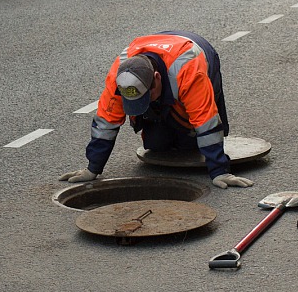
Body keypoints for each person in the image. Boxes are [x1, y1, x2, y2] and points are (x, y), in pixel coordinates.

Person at [59, 31, 254, 189]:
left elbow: (207, 122)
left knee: (190, 138)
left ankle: (186, 134)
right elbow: (105, 123)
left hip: (197, 54)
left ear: (157, 79)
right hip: (159, 57)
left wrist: (219, 170)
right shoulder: (119, 77)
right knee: (157, 145)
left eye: (146, 97)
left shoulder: (189, 72)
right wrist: (93, 168)